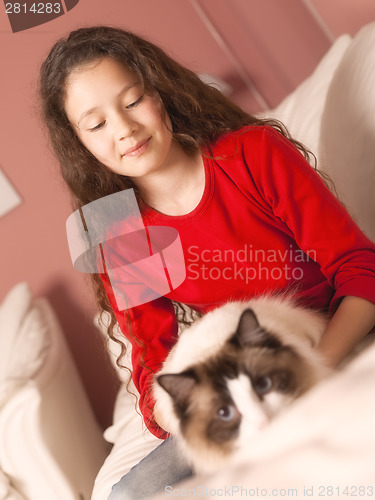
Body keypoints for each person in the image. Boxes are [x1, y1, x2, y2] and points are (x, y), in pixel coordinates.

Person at [39, 26, 375, 499]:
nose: (124, 129)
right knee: (129, 494)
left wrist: (312, 368)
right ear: (81, 144)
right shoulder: (119, 233)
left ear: (158, 92)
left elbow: (360, 269)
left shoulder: (252, 156)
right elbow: (153, 367)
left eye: (133, 100)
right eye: (96, 125)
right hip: (229, 399)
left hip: (332, 340)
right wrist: (214, 417)